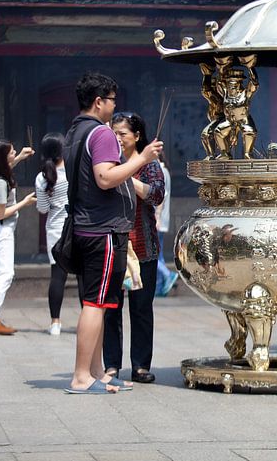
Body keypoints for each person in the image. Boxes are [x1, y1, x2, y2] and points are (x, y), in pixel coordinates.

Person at [63, 72, 162, 394]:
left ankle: (96, 372)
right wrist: (143, 159)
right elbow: (105, 178)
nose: (113, 106)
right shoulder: (101, 134)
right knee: (95, 303)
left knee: (102, 302)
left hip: (87, 227)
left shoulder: (75, 132)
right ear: (99, 102)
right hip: (102, 230)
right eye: (112, 101)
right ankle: (82, 376)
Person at [104, 112, 165, 384]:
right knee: (111, 307)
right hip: (114, 244)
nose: (117, 139)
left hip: (143, 245)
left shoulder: (149, 164)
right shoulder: (107, 162)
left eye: (122, 134)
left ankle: (140, 365)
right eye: (114, 133)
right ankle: (111, 365)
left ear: (137, 136)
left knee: (141, 308)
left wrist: (127, 174)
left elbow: (156, 194)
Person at [0, 139, 35, 335]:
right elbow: (2, 213)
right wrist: (24, 202)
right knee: (5, 273)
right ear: (2, 157)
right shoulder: (0, 184)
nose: (14, 153)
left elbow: (7, 167)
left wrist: (19, 158)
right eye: (12, 152)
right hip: (1, 229)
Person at [35, 132, 69, 335]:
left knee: (57, 276)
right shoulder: (73, 172)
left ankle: (55, 322)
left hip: (55, 230)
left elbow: (43, 208)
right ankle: (87, 319)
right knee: (82, 276)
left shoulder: (42, 177)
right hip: (76, 228)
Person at [155, 153, 178, 297]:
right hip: (161, 220)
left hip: (157, 220)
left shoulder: (159, 172)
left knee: (154, 256)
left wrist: (156, 216)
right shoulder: (165, 171)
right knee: (159, 255)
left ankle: (167, 274)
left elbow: (160, 196)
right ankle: (161, 287)